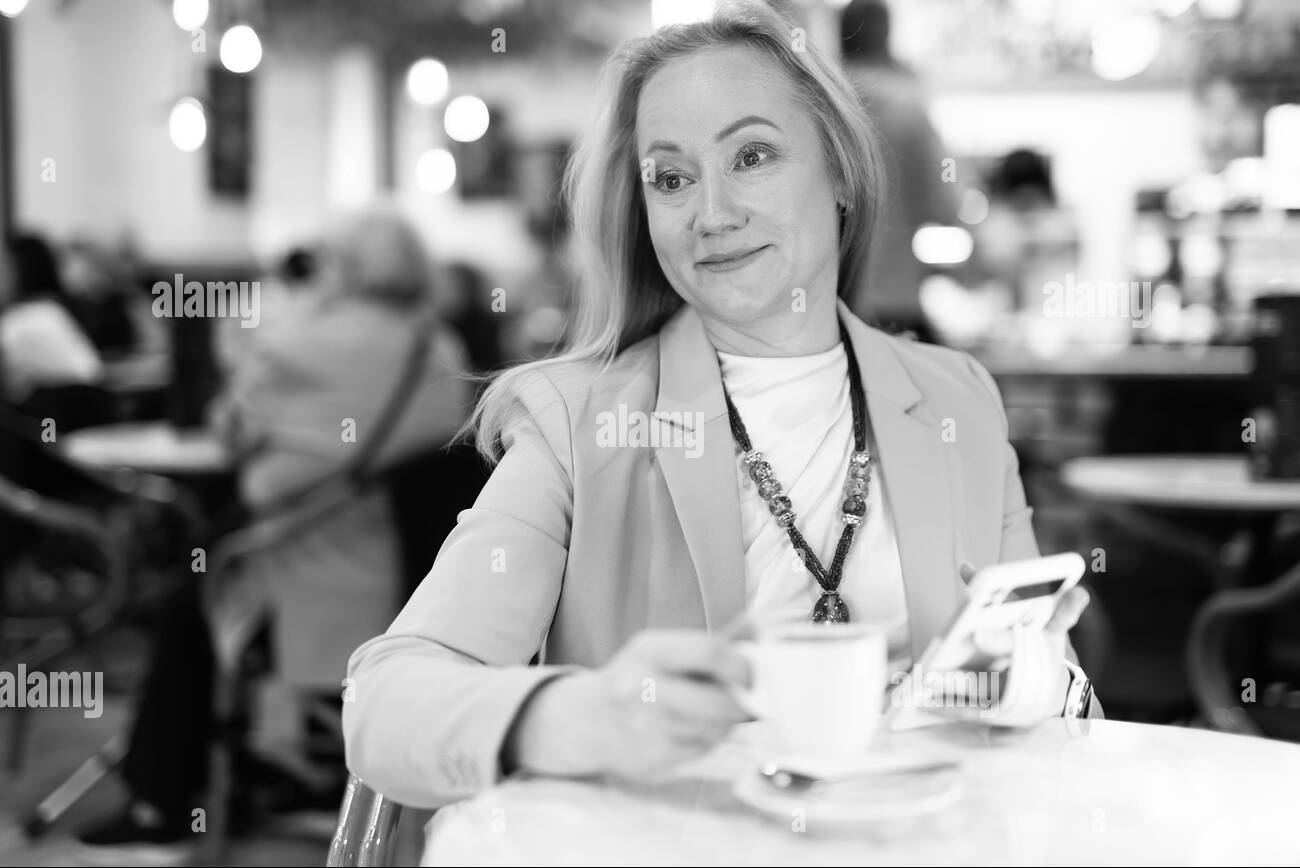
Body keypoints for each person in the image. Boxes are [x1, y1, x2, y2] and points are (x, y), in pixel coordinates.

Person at [343, 2, 1100, 820]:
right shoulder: (576, 422)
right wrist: (581, 714)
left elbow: (1042, 706)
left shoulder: (958, 399)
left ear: (840, 172)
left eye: (752, 156)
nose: (712, 213)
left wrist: (1030, 680)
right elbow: (385, 705)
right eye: (672, 178)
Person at [76, 207, 474, 862]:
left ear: (337, 266)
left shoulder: (295, 341)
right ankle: (285, 774)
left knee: (185, 603)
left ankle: (161, 800)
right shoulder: (442, 347)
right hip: (408, 578)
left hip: (296, 565)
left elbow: (229, 434)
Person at [839, 0, 960, 344]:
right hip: (895, 302)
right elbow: (945, 205)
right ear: (888, 35)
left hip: (827, 309)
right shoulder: (906, 106)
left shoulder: (821, 104)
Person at [0, 233, 106, 429]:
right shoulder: (53, 312)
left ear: (22, 272)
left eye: (5, 269)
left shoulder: (16, 323)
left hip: (50, 432)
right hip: (89, 424)